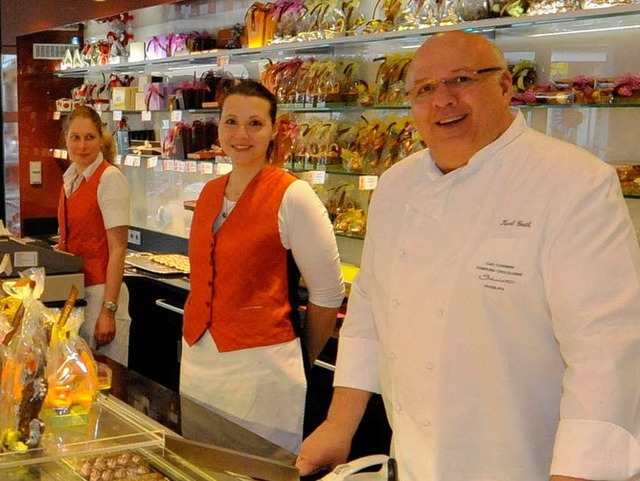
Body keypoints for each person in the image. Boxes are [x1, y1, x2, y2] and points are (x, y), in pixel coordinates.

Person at [296, 31, 640, 481]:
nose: (443, 100)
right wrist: (338, 424)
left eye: (461, 79)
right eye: (425, 89)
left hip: (528, 463)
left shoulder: (575, 184)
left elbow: (607, 351)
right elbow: (368, 311)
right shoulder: (397, 186)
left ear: (503, 87)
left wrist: (577, 474)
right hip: (415, 461)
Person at [181, 80, 345, 454]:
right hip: (199, 363)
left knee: (257, 471)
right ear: (218, 126)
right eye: (231, 122)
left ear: (274, 129)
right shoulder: (208, 194)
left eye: (255, 123)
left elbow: (328, 293)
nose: (241, 134)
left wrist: (302, 358)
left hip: (262, 373)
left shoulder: (293, 195)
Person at [57, 105, 131, 366]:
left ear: (100, 139)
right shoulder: (72, 179)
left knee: (107, 380)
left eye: (89, 137)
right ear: (66, 139)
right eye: (75, 137)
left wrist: (108, 310)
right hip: (78, 292)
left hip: (102, 294)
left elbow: (118, 247)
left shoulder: (109, 178)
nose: (82, 145)